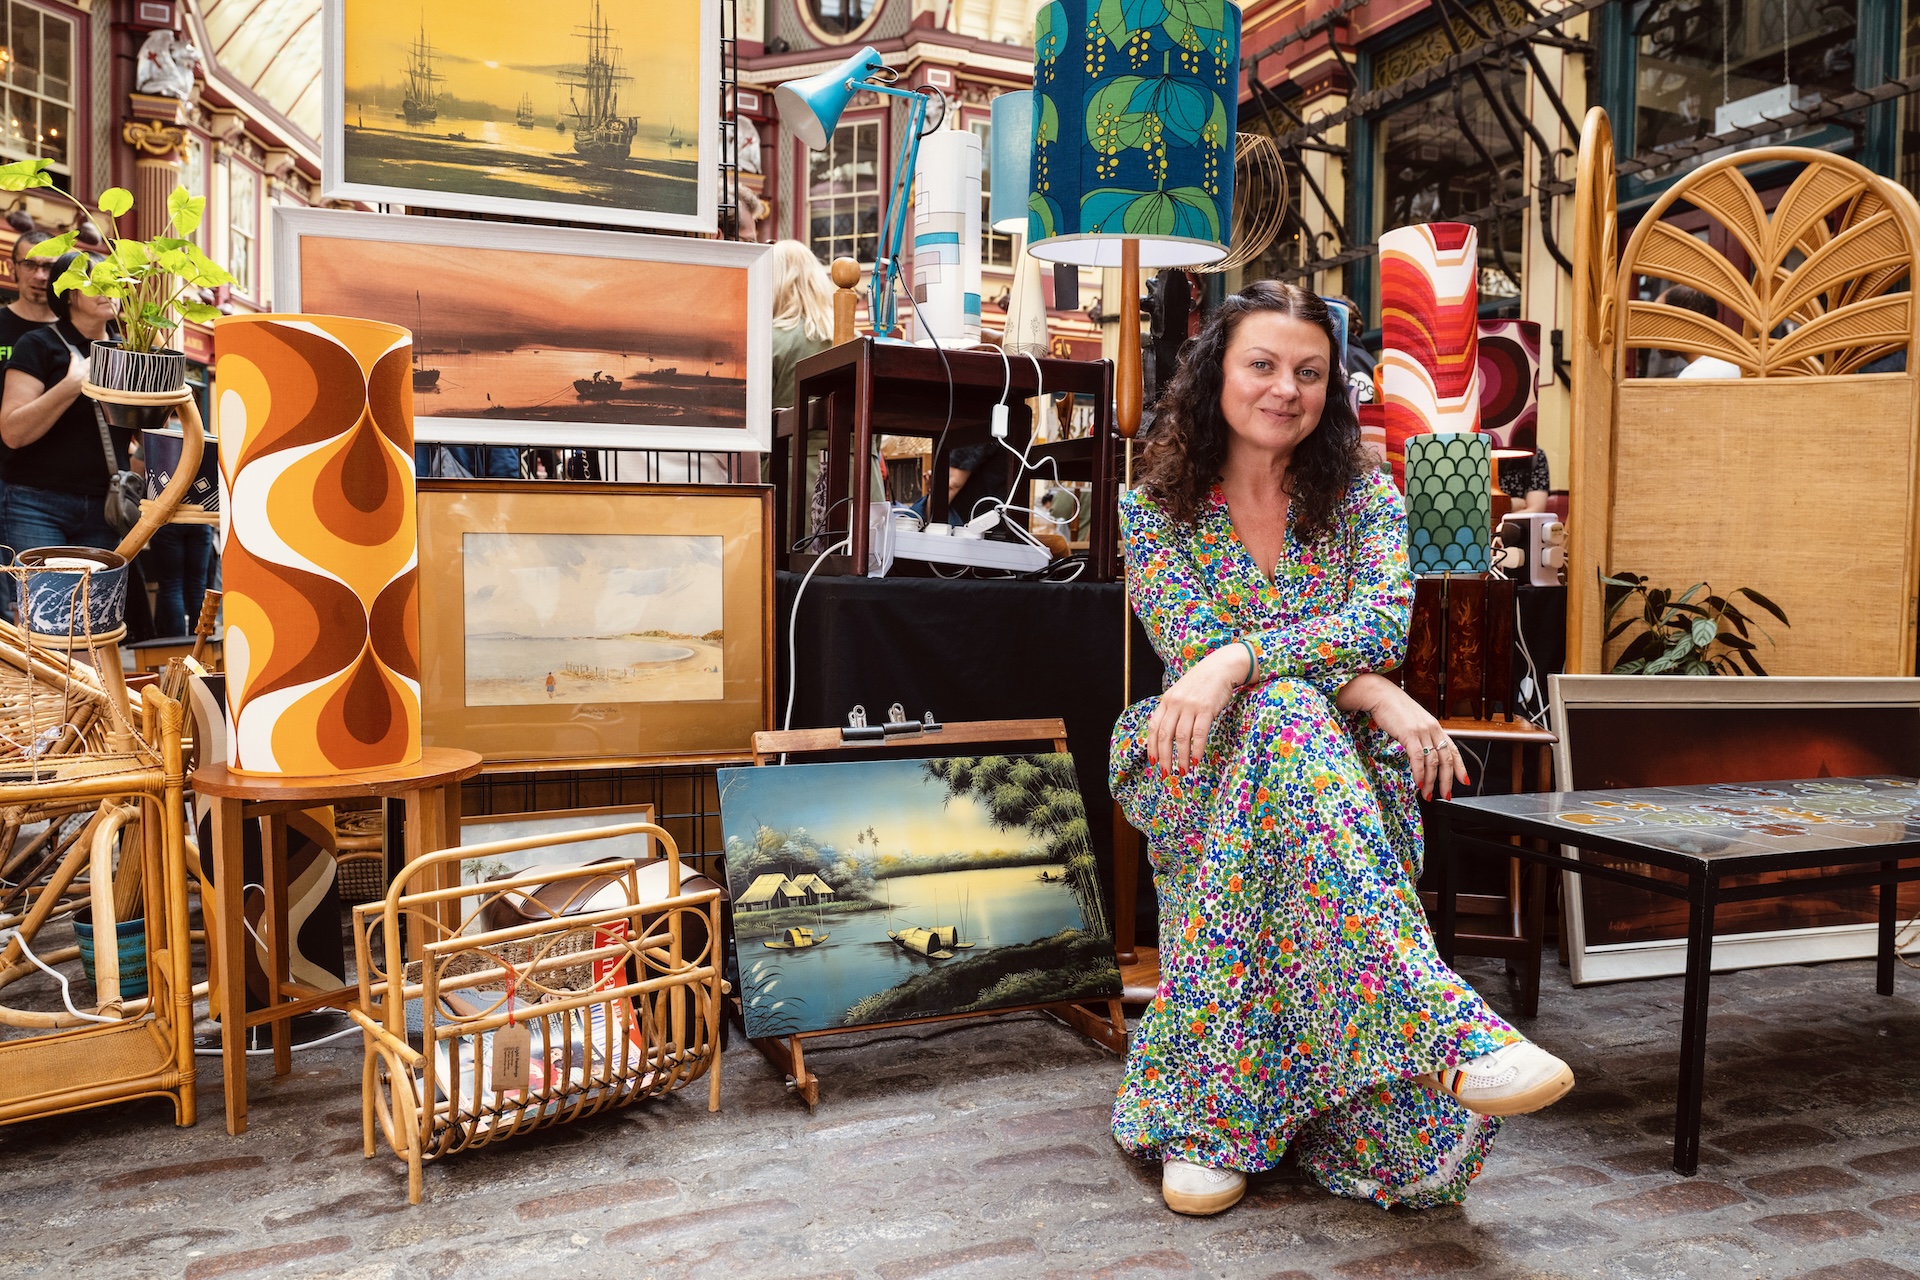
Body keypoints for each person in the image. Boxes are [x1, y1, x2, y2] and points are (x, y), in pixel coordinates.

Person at [1110, 281, 1573, 1219]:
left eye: (1310, 372)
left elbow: (1378, 623)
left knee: (1286, 717)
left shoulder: (1364, 494)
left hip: (1326, 764)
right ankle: (1445, 1034)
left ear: (1333, 387)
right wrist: (1366, 688)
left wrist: (1260, 660)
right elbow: (1202, 650)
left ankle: (1209, 1122)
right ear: (1216, 374)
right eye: (1264, 365)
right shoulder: (1152, 504)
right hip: (1192, 758)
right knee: (1283, 713)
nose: (1287, 388)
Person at [0, 252, 137, 561]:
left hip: (107, 505)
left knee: (94, 608)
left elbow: (144, 437)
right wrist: (71, 385)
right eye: (97, 281)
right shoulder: (38, 344)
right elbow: (12, 432)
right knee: (44, 606)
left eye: (115, 281)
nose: (109, 289)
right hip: (35, 502)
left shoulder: (128, 352)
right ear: (70, 293)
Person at [1658, 285, 1742, 379]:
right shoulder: (1718, 365)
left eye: (1659, 319)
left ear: (1683, 322)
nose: (1652, 328)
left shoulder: (1700, 374)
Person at [1498, 446, 1550, 512]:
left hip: (1516, 522)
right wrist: (1509, 504)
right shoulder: (1483, 450)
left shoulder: (1535, 455)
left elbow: (1536, 510)